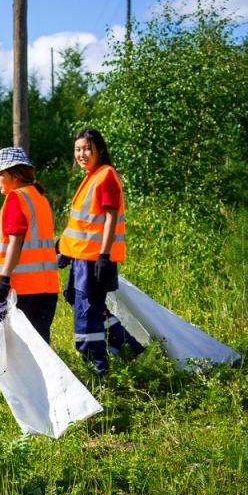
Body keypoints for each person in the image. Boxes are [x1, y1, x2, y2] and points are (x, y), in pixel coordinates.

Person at [57, 128, 144, 374]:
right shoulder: (91, 176)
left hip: (94, 261)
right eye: (77, 149)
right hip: (82, 259)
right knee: (92, 310)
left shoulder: (105, 176)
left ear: (100, 150)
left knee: (87, 317)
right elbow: (82, 225)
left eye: (87, 149)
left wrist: (104, 255)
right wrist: (64, 250)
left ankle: (99, 373)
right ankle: (132, 352)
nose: (81, 154)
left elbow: (110, 219)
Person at [0, 147, 60, 343]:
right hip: (47, 288)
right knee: (40, 348)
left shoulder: (16, 198)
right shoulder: (41, 199)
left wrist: (3, 279)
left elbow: (15, 241)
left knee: (8, 346)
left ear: (16, 174)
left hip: (20, 290)